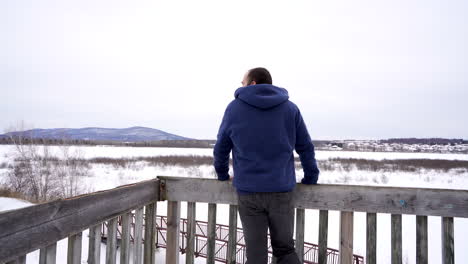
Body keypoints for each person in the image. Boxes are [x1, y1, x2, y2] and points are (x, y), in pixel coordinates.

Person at [213, 67, 320, 264]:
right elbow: (305, 147)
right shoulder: (290, 109)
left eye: (243, 82)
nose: (241, 86)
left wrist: (221, 174)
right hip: (281, 190)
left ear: (253, 83)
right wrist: (311, 177)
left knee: (256, 254)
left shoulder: (234, 108)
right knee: (285, 250)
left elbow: (221, 147)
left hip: (249, 192)